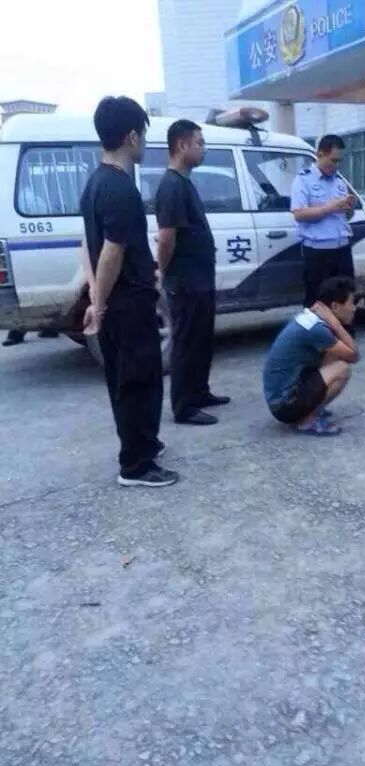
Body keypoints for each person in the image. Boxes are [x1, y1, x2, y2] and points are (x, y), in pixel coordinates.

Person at [80, 96, 178, 488]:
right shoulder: (119, 188)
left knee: (130, 378)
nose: (145, 145)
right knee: (138, 382)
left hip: (121, 301)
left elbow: (84, 245)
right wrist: (100, 304)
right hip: (127, 304)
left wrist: (94, 297)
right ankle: (135, 466)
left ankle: (145, 445)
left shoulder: (95, 183)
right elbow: (111, 252)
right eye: (144, 136)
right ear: (132, 136)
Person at [155, 119, 229, 426]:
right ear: (182, 144)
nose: (203, 149)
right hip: (184, 281)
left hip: (200, 279)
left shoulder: (184, 183)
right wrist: (162, 271)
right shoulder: (171, 186)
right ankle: (184, 406)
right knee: (185, 342)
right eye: (200, 143)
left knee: (201, 339)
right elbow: (166, 238)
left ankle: (199, 392)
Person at [263, 276, 359, 436]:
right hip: (284, 406)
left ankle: (310, 409)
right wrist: (335, 323)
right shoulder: (317, 328)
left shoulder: (311, 318)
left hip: (282, 398)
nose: (354, 308)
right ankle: (307, 420)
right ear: (335, 306)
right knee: (342, 369)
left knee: (335, 356)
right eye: (351, 303)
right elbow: (354, 355)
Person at [291, 135, 356, 308]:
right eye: (333, 160)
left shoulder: (339, 181)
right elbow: (299, 214)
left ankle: (342, 327)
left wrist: (349, 207)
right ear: (320, 155)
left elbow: (346, 216)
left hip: (342, 249)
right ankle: (318, 327)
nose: (337, 165)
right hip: (318, 252)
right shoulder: (303, 180)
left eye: (339, 161)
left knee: (345, 300)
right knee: (317, 302)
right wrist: (329, 207)